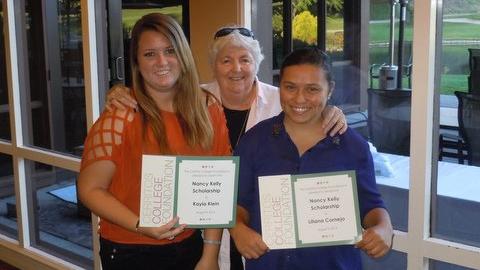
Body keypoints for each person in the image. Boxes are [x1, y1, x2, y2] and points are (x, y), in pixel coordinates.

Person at [104, 26, 348, 270]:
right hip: (202, 235)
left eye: (245, 59)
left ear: (257, 63)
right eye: (226, 60)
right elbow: (154, 96)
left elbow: (311, 110)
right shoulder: (190, 101)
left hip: (263, 235)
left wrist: (331, 111)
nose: (236, 69)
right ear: (213, 65)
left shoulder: (283, 101)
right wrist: (122, 93)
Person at [77, 13, 230, 270]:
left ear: (183, 54)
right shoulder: (120, 115)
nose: (162, 62)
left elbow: (219, 188)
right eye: (150, 54)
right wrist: (140, 224)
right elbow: (89, 189)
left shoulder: (207, 107)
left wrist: (210, 254)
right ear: (136, 62)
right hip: (130, 249)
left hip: (190, 244)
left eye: (170, 50)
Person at [230, 47, 393, 270]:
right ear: (280, 87)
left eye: (312, 89)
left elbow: (370, 205)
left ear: (330, 90)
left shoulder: (352, 146)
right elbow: (238, 202)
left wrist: (383, 227)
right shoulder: (254, 142)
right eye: (290, 87)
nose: (299, 98)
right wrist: (238, 229)